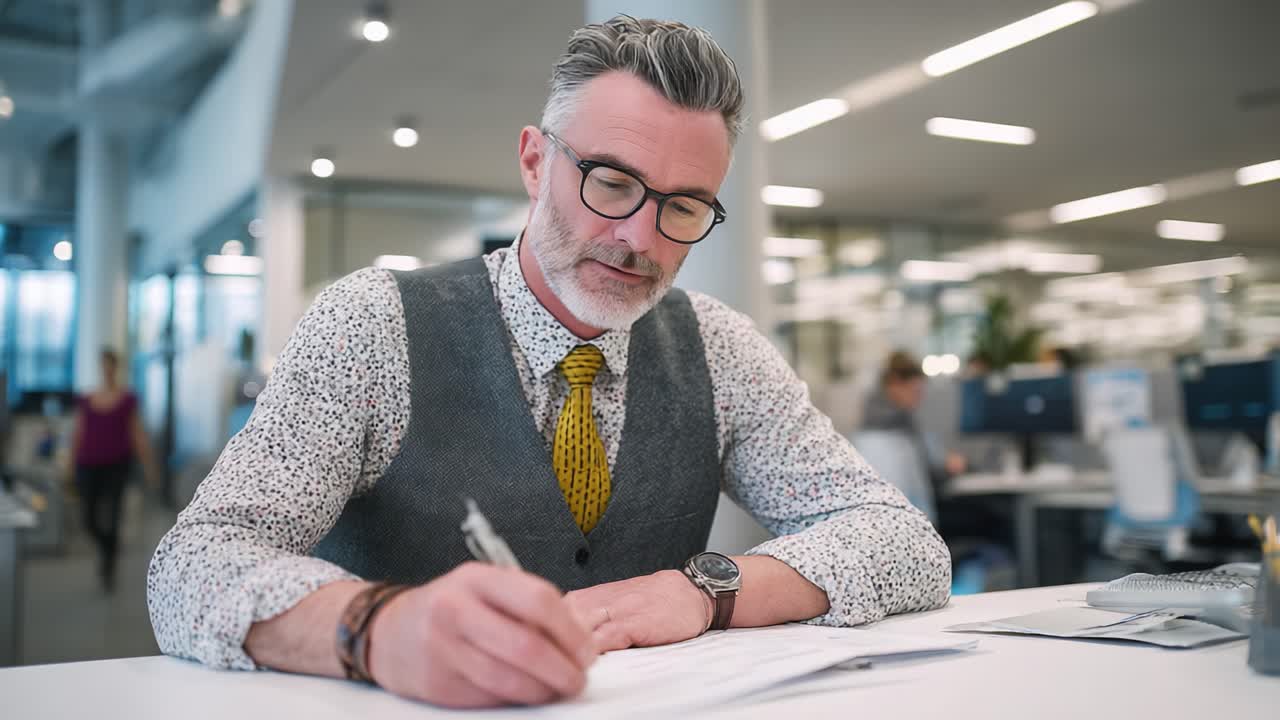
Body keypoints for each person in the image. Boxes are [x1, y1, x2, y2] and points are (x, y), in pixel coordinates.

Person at [148, 16, 950, 709]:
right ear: (535, 163)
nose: (640, 237)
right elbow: (193, 566)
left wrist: (705, 590)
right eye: (611, 182)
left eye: (684, 207)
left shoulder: (722, 348)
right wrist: (379, 626)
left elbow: (903, 543)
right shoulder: (373, 325)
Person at [71, 348, 156, 591]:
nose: (106, 369)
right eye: (103, 364)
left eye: (110, 365)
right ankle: (107, 546)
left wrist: (149, 464)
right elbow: (78, 432)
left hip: (117, 464)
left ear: (115, 368)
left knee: (115, 515)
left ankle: (109, 564)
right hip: (88, 463)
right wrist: (70, 465)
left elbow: (137, 433)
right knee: (88, 518)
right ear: (100, 367)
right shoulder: (87, 399)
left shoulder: (127, 399)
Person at [861, 350, 967, 484]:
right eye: (915, 391)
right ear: (894, 383)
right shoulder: (879, 435)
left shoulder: (904, 422)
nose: (919, 398)